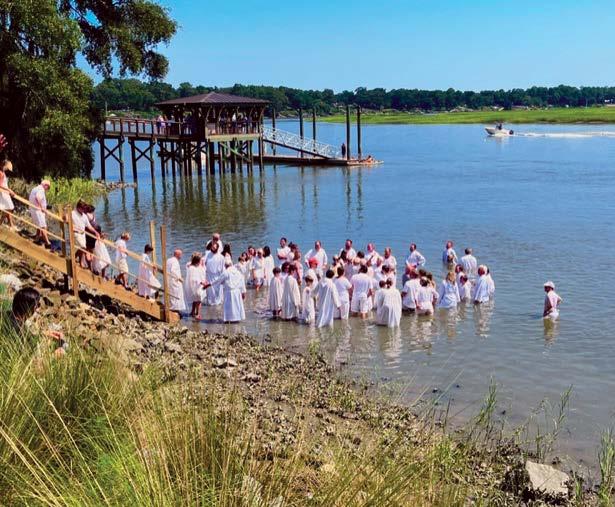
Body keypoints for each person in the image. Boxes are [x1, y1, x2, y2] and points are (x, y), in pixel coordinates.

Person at [9, 287, 66, 357]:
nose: (38, 308)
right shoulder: (19, 329)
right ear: (30, 308)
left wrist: (43, 334)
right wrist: (54, 355)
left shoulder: (8, 316)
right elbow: (30, 360)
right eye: (38, 305)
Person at [204, 258, 247, 323]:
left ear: (226, 265)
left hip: (229, 292)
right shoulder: (238, 272)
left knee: (229, 307)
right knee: (236, 306)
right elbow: (242, 282)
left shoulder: (226, 272)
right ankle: (236, 319)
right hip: (237, 292)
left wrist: (209, 284)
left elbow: (218, 280)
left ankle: (229, 320)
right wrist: (243, 292)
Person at [72, 201, 99, 268]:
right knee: (83, 247)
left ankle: (78, 261)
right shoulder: (73, 213)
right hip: (76, 233)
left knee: (83, 248)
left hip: (83, 234)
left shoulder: (84, 216)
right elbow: (66, 218)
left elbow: (89, 226)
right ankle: (75, 259)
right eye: (82, 208)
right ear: (78, 207)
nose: (84, 210)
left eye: (84, 209)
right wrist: (65, 217)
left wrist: (96, 232)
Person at [28, 179, 51, 247]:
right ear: (45, 185)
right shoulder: (41, 190)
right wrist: (42, 208)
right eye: (48, 187)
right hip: (38, 210)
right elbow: (38, 197)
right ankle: (47, 243)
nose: (47, 189)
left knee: (39, 225)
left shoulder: (35, 188)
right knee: (43, 226)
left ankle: (37, 238)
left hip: (34, 209)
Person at [184, 253, 207, 319]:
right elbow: (193, 278)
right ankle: (198, 314)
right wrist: (201, 282)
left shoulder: (196, 267)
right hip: (196, 286)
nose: (201, 261)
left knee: (195, 299)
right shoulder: (192, 268)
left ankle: (192, 312)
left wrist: (204, 281)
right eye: (200, 260)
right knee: (199, 300)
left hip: (197, 286)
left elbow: (202, 274)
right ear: (197, 261)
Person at [166, 249, 186, 313]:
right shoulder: (175, 261)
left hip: (168, 279)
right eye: (181, 255)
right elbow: (173, 271)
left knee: (171, 294)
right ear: (178, 255)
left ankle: (172, 307)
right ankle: (175, 309)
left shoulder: (169, 260)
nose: (181, 256)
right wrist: (179, 278)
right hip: (174, 281)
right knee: (176, 294)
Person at [0, 160, 16, 229]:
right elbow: (0, 185)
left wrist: (9, 191)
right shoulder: (1, 173)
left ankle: (3, 223)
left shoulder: (3, 173)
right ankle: (7, 224)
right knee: (9, 207)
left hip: (5, 193)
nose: (8, 169)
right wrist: (9, 190)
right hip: (3, 193)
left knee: (8, 208)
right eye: (7, 167)